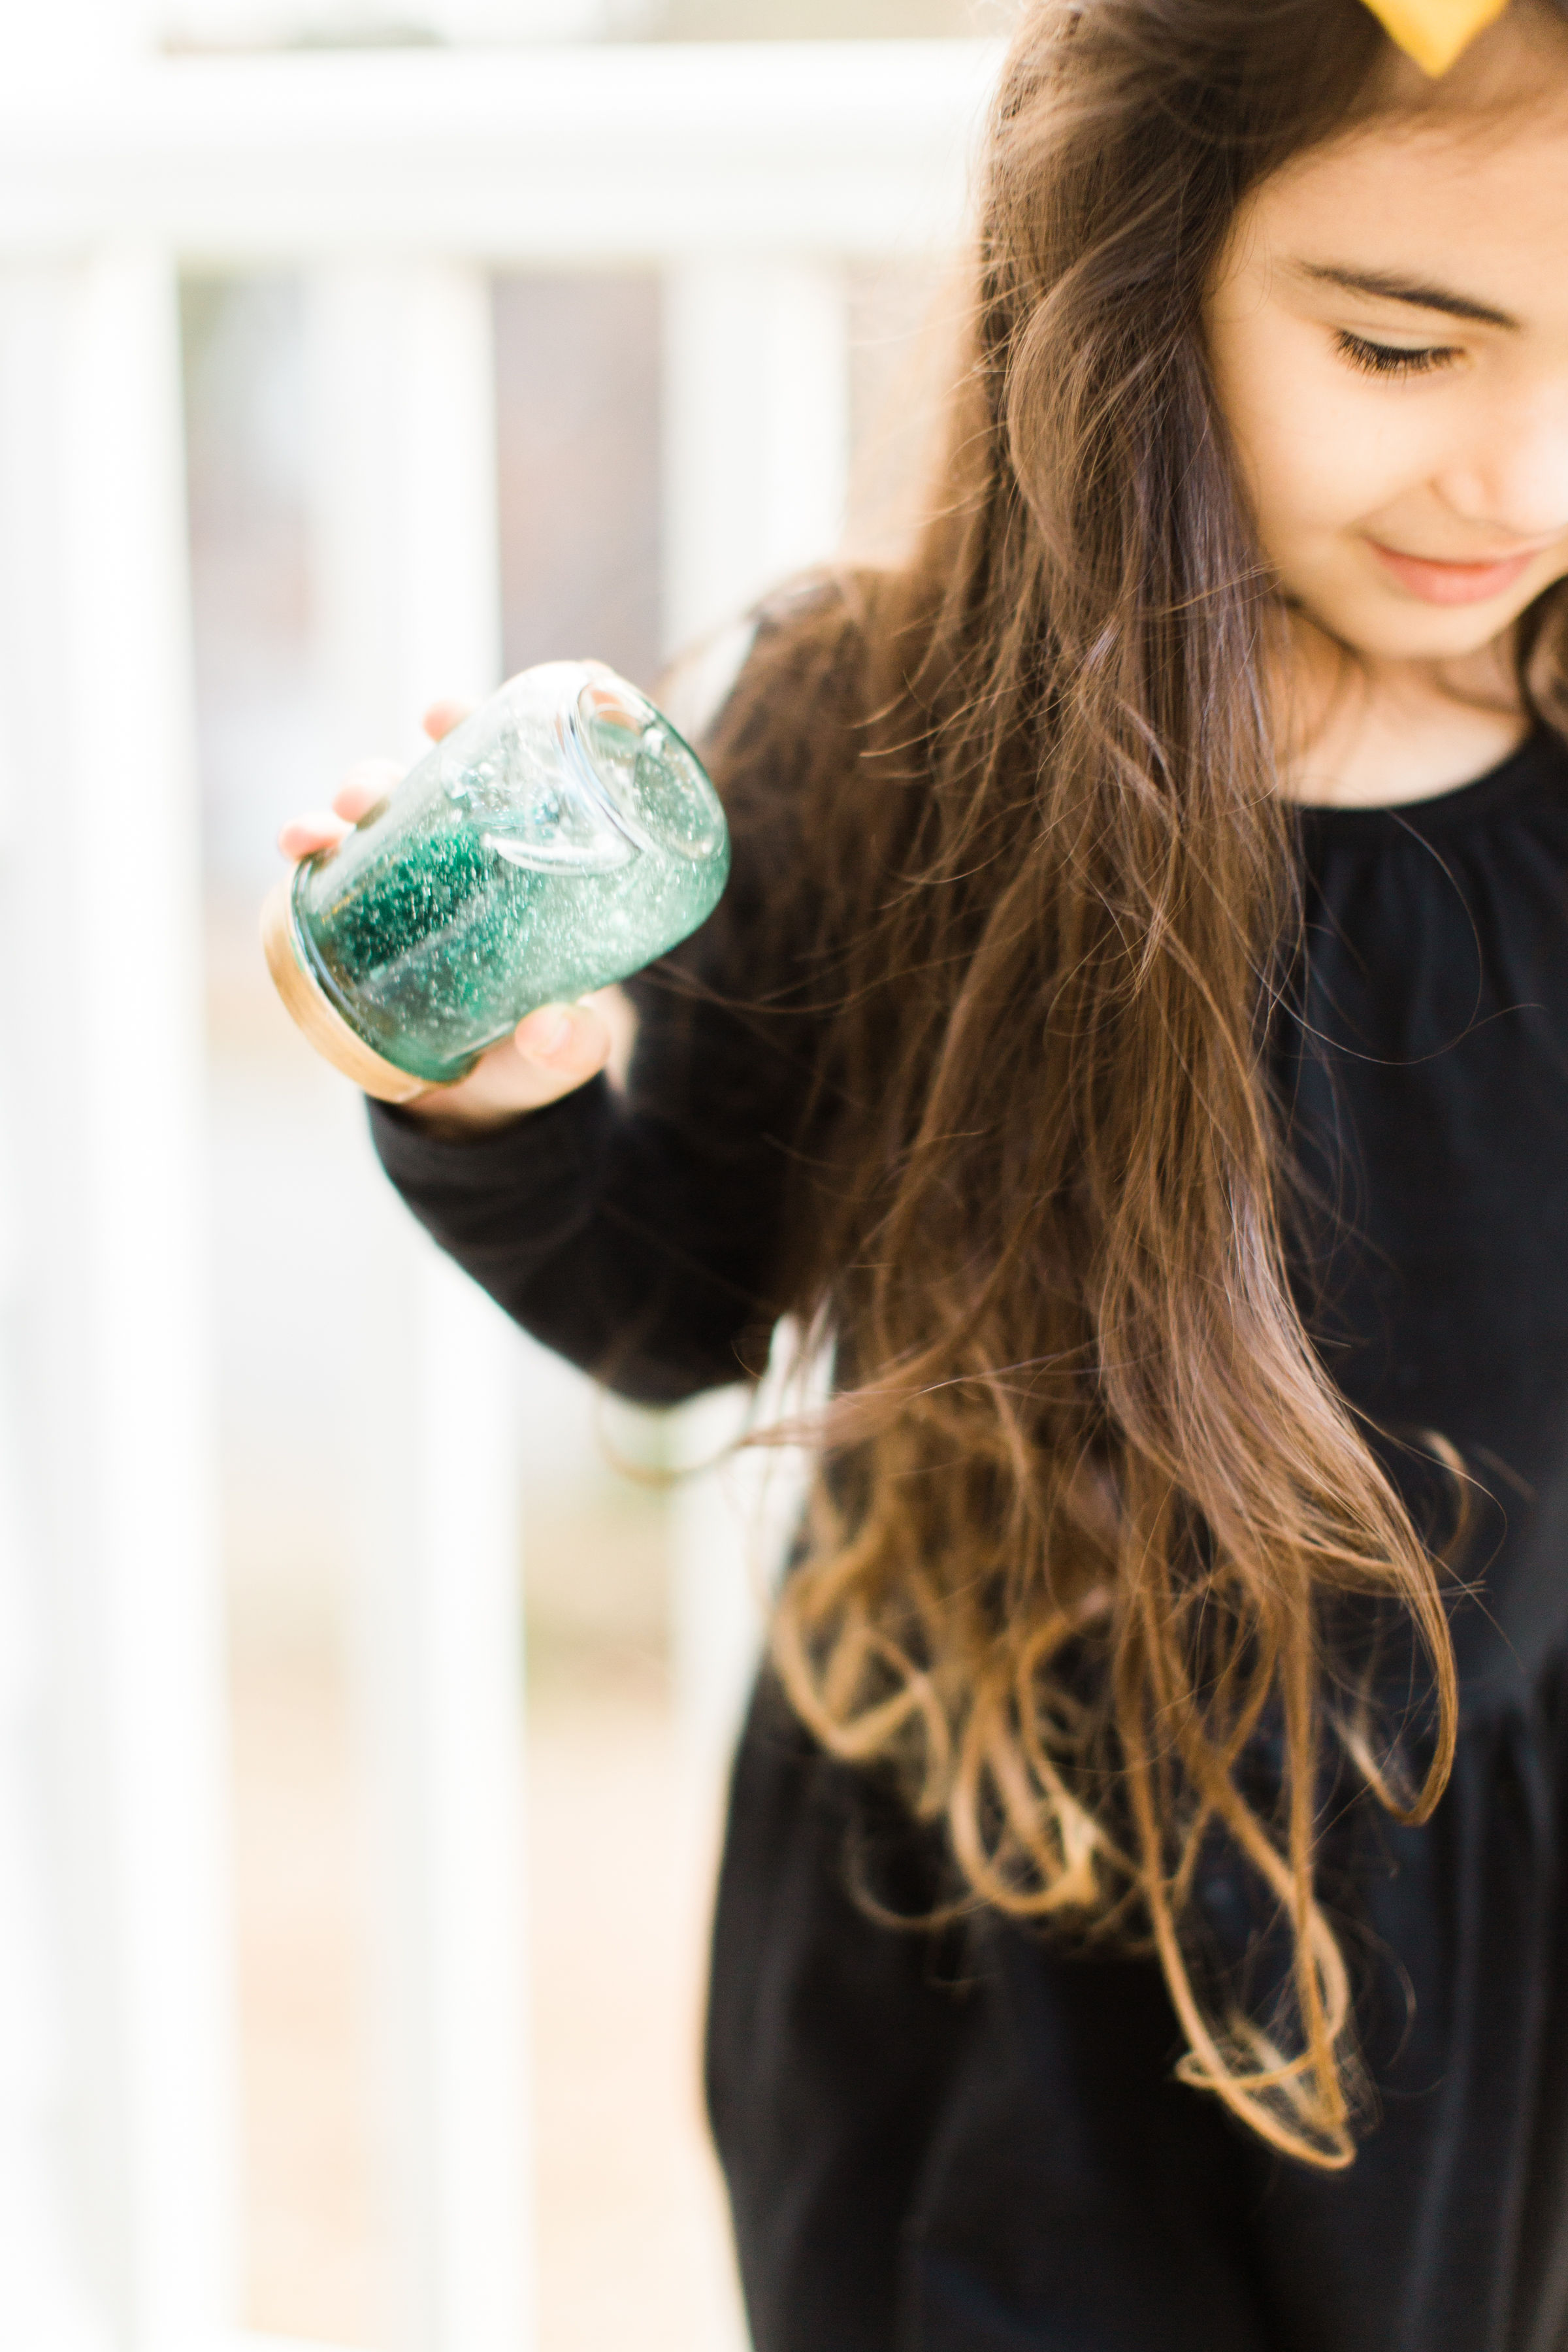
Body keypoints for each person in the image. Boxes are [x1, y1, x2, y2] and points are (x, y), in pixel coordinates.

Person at [278, 1, 1568, 2342]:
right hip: (969, 1983)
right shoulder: (888, 746)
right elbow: (673, 1300)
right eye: (1403, 346)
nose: (1526, 472)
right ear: (1138, 260)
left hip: (1480, 2006)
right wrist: (503, 1093)